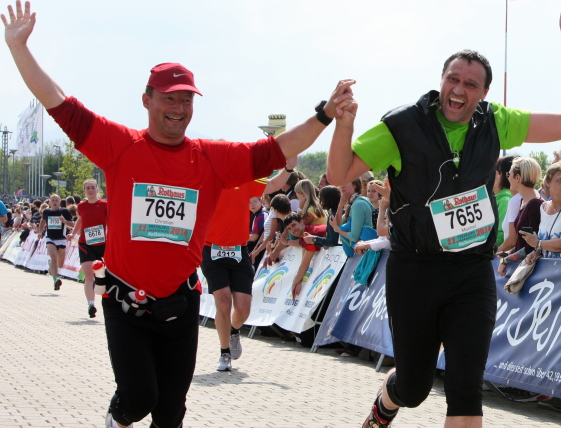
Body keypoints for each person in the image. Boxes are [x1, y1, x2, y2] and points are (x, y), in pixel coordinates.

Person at [2, 2, 356, 427]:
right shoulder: (119, 145)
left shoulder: (210, 157)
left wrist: (324, 114)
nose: (178, 107)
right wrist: (19, 47)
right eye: (169, 98)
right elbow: (59, 103)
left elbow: (276, 150)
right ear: (147, 100)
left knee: (170, 415)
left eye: (186, 99)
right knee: (137, 400)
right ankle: (118, 415)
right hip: (126, 303)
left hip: (180, 304)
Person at [326, 8, 561, 427]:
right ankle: (386, 403)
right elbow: (339, 174)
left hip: (471, 271)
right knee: (414, 387)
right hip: (415, 270)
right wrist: (344, 125)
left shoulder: (496, 122)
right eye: (453, 79)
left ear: (483, 93)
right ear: (441, 80)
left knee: (466, 388)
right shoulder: (403, 126)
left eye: (470, 84)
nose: (459, 90)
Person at [201, 161, 297, 373]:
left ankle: (234, 330)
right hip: (212, 250)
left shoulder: (245, 182)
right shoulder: (206, 181)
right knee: (223, 302)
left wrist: (288, 169)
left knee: (243, 309)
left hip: (238, 251)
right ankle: (224, 353)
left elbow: (273, 185)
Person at [66, 178, 108, 318]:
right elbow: (80, 220)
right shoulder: (81, 206)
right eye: (87, 188)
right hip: (85, 244)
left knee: (103, 276)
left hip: (102, 244)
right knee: (89, 275)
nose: (90, 190)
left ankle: (108, 303)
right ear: (84, 191)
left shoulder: (104, 205)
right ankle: (91, 304)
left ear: (97, 189)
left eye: (92, 187)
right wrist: (73, 233)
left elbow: (111, 221)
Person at [497, 157, 543, 276]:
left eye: (509, 174)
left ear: (518, 178)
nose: (508, 178)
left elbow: (531, 246)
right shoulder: (524, 201)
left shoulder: (535, 204)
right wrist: (507, 254)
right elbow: (521, 243)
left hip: (531, 270)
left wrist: (506, 260)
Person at [522, 160, 561, 263]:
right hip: (546, 270)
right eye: (560, 180)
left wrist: (537, 243)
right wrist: (536, 252)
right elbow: (543, 242)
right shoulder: (543, 207)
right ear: (548, 182)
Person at [282, 213, 326, 298]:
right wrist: (299, 281)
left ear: (301, 222)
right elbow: (303, 261)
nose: (293, 230)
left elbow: (305, 263)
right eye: (289, 228)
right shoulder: (304, 235)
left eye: (294, 225)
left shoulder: (309, 234)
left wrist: (294, 284)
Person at [38, 194, 74, 290]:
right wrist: (40, 231)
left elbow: (73, 224)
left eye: (56, 200)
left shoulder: (64, 211)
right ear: (49, 202)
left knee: (60, 264)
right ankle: (55, 279)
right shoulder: (46, 211)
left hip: (61, 239)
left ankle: (52, 267)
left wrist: (65, 221)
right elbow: (42, 220)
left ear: (59, 202)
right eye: (53, 200)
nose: (54, 202)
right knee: (54, 258)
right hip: (50, 238)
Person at [493, 156, 516, 246]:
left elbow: (501, 236)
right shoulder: (497, 198)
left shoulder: (505, 200)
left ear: (501, 175)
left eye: (494, 170)